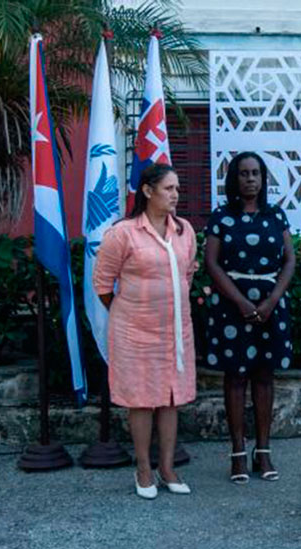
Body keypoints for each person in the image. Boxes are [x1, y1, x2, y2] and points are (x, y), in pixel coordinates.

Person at [93, 164, 197, 499]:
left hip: (175, 331)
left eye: (177, 189)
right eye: (168, 188)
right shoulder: (122, 233)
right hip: (135, 332)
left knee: (170, 399)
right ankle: (143, 470)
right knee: (141, 400)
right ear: (148, 192)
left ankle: (167, 468)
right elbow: (102, 283)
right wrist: (130, 313)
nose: (175, 195)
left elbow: (187, 274)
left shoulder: (185, 231)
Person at [204, 152, 296, 484]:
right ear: (234, 179)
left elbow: (289, 260)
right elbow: (212, 264)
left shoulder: (276, 215)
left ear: (263, 177)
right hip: (232, 306)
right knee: (236, 378)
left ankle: (264, 451)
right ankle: (238, 454)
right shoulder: (221, 217)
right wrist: (241, 301)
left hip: (271, 306)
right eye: (243, 173)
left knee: (264, 377)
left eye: (256, 173)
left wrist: (272, 299)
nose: (250, 179)